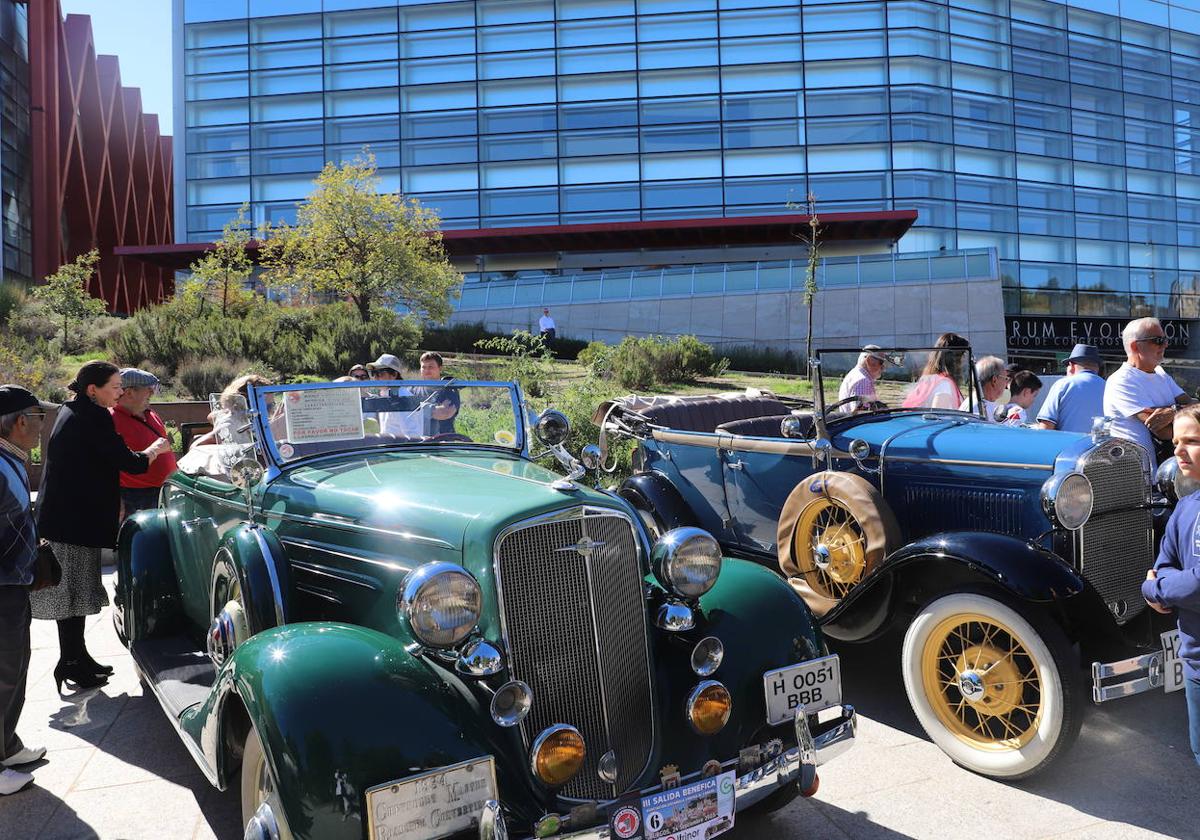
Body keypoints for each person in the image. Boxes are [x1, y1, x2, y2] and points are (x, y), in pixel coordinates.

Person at [31, 361, 171, 692]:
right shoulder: (93, 418)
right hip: (72, 522)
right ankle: (71, 662)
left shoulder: (75, 410)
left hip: (68, 519)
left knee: (75, 593)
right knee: (72, 594)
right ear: (93, 389)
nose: (120, 392)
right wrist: (156, 448)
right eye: (114, 387)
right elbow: (129, 462)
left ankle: (76, 658)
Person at [0, 385, 53, 796]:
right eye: (38, 418)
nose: (41, 426)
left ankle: (7, 746)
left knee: (15, 668)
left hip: (13, 586)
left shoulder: (11, 460)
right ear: (20, 422)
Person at [1142, 403, 1200, 768]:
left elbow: (1195, 585)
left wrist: (1158, 589)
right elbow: (1162, 566)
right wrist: (1154, 588)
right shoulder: (1186, 506)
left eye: (1191, 441)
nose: (1177, 450)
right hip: (1195, 662)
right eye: (1175, 441)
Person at [1103, 317, 1196, 468]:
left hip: (1171, 472)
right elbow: (1161, 430)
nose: (1165, 344)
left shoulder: (1160, 374)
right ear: (1135, 346)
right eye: (1157, 340)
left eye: (1165, 339)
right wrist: (1183, 412)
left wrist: (1173, 412)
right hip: (1140, 476)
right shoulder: (1121, 380)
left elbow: (1194, 405)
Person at [111, 368, 177, 521]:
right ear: (129, 393)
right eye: (148, 389)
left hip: (165, 490)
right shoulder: (111, 420)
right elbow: (108, 464)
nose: (152, 393)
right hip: (136, 497)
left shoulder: (151, 413)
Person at [1037, 343, 1106, 433]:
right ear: (1097, 367)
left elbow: (1046, 427)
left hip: (1067, 446)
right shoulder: (1109, 387)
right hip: (1101, 446)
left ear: (1071, 365)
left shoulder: (1063, 384)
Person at [902, 332, 969, 410]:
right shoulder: (944, 384)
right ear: (954, 358)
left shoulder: (929, 379)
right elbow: (939, 417)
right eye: (962, 355)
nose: (963, 360)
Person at [366, 354, 421, 437]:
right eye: (374, 373)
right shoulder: (385, 394)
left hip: (399, 448)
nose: (376, 377)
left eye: (380, 373)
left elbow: (412, 435)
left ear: (394, 375)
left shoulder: (402, 398)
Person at [411, 352, 461, 435]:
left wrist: (417, 410)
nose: (427, 370)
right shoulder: (412, 390)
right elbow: (404, 416)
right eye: (424, 367)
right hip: (417, 442)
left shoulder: (450, 390)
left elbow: (445, 412)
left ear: (440, 368)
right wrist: (433, 410)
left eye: (431, 367)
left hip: (443, 442)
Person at [836, 345, 889, 414]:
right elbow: (861, 414)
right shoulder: (863, 381)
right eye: (881, 363)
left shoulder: (855, 374)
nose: (883, 368)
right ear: (869, 361)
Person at [959, 355, 1008, 421]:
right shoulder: (976, 408)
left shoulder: (986, 403)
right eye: (1005, 378)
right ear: (994, 380)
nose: (1006, 383)